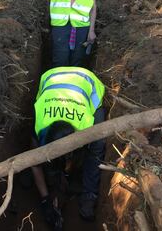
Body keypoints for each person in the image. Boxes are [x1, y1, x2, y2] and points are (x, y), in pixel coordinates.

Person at [31, 66, 106, 228]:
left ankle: (89, 194)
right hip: (51, 78)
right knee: (52, 166)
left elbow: (81, 153)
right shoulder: (40, 127)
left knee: (97, 145)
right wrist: (45, 199)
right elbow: (35, 164)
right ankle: (55, 175)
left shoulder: (86, 127)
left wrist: (68, 171)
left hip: (88, 83)